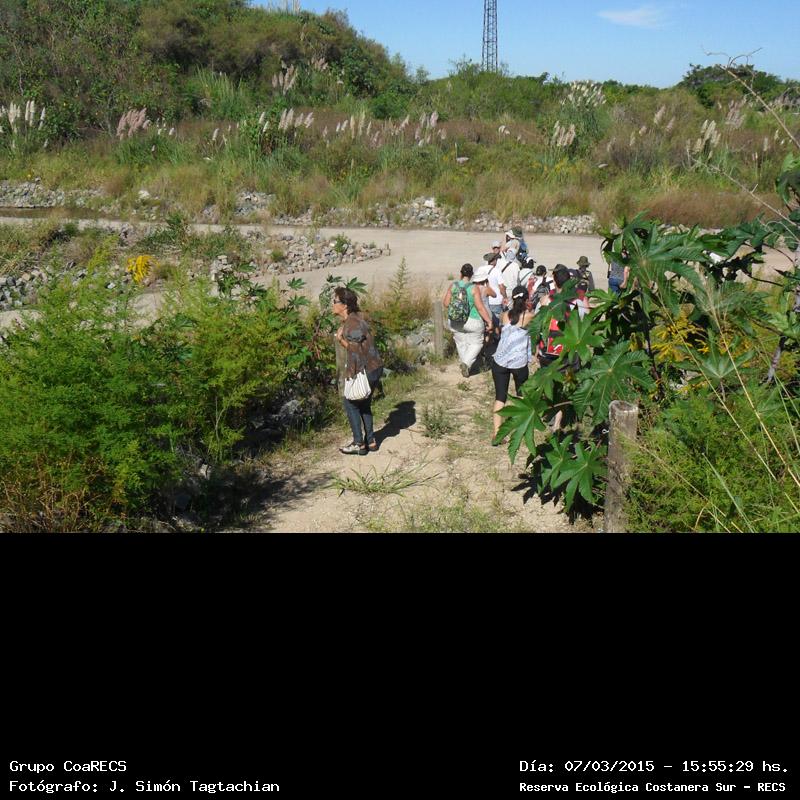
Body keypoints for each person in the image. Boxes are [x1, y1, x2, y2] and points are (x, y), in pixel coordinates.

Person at [333, 286, 384, 455]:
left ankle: (358, 443)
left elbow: (356, 351)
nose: (333, 304)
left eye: (335, 301)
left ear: (345, 305)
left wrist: (340, 340)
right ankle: (371, 441)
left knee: (350, 403)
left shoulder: (352, 323)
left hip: (366, 369)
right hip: (375, 367)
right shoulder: (355, 319)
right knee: (364, 404)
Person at [491, 284, 534, 443]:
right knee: (521, 396)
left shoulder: (504, 315)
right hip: (518, 362)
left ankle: (497, 433)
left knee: (500, 397)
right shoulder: (528, 316)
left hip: (500, 360)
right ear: (526, 299)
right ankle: (520, 428)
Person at [443, 263, 493, 377]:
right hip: (472, 321)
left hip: (454, 321)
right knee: (477, 342)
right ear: (472, 275)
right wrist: (489, 321)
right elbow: (480, 308)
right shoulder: (473, 288)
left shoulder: (453, 285)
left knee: (461, 342)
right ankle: (466, 363)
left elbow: (445, 303)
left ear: (460, 274)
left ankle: (465, 364)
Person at [484, 251, 504, 325]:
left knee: (487, 322)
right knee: (496, 323)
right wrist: (505, 297)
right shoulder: (497, 271)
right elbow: (501, 286)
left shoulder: (481, 269)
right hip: (496, 300)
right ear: (494, 260)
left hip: (484, 299)